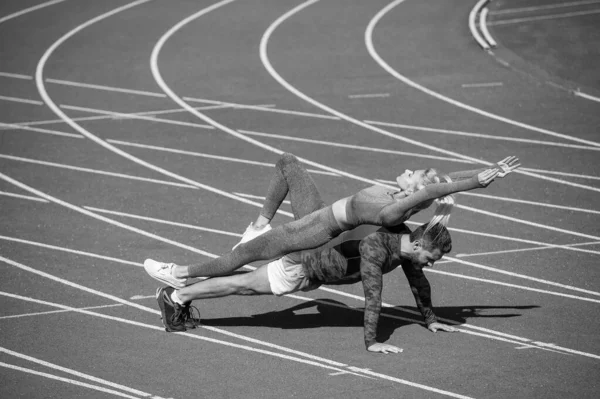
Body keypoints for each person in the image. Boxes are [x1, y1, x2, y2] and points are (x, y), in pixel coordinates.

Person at [145, 153, 519, 287]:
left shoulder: (393, 210)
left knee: (244, 256)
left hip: (311, 231)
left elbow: (431, 192)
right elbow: (441, 182)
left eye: (413, 172)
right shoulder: (397, 194)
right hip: (316, 215)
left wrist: (474, 184)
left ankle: (178, 272)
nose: (406, 170)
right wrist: (487, 171)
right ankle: (258, 223)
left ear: (417, 190)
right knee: (287, 163)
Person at [153, 221, 456, 354]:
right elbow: (373, 296)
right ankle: (176, 295)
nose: (431, 263)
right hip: (302, 266)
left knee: (245, 280)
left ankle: (181, 293)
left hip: (311, 265)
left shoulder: (403, 239)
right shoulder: (377, 248)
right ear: (418, 244)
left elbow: (418, 281)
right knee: (243, 285)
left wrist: (430, 319)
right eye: (432, 257)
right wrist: (371, 342)